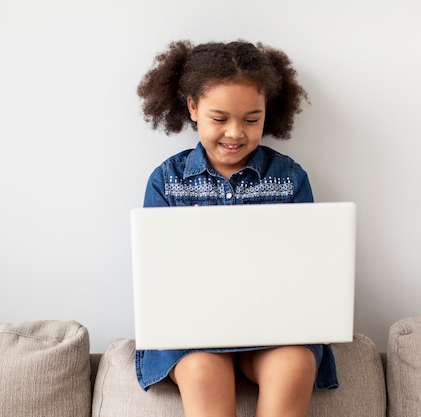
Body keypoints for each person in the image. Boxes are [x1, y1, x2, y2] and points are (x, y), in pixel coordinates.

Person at [135, 40, 338, 417]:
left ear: (266, 113)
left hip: (272, 331)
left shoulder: (289, 178)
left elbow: (308, 269)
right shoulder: (167, 181)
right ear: (193, 107)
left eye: (250, 119)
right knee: (201, 368)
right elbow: (156, 277)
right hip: (191, 335)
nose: (234, 133)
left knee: (295, 363)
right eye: (219, 118)